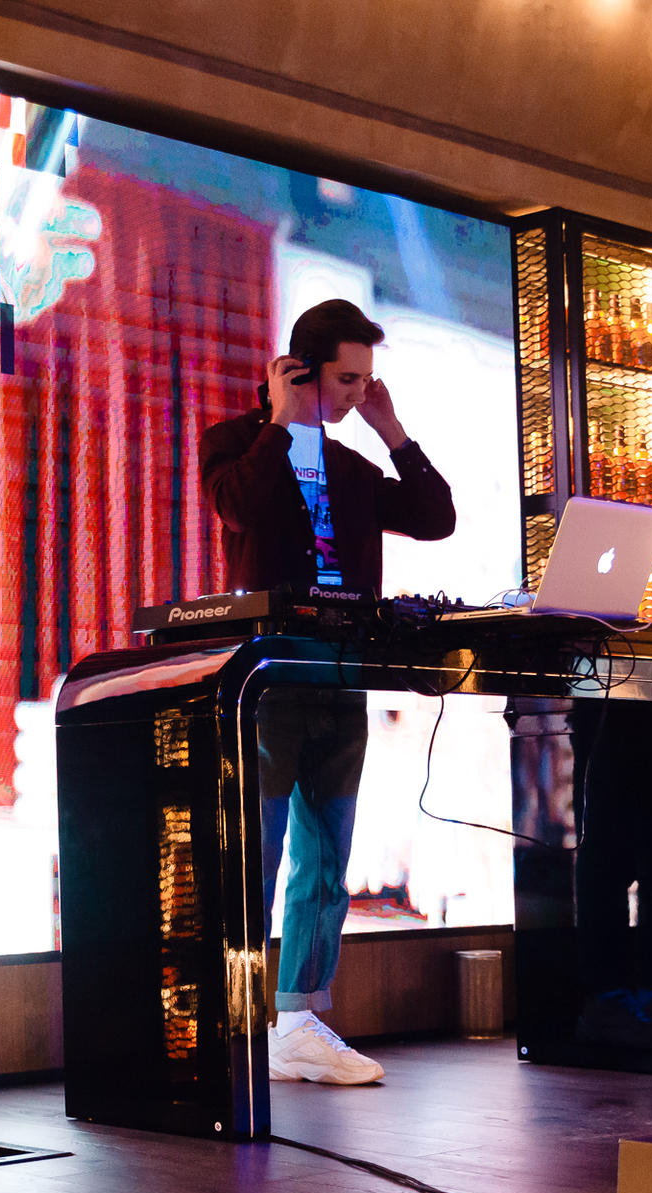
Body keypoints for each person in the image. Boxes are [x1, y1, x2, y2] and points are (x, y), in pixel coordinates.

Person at [199, 298, 455, 1085]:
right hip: (271, 678)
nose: (357, 393)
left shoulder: (352, 468)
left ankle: (299, 1021)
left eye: (365, 380)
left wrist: (392, 430)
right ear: (299, 370)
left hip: (340, 674)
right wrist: (281, 422)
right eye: (347, 380)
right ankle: (230, 1022)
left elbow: (436, 516)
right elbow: (235, 507)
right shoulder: (239, 444)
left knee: (325, 859)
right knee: (256, 853)